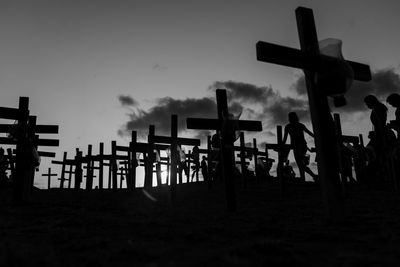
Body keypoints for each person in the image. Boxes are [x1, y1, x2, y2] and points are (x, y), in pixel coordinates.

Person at [282, 112, 318, 181]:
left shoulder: (289, 126)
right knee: (301, 164)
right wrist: (316, 137)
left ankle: (312, 176)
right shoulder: (299, 125)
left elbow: (284, 139)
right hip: (301, 146)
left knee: (300, 164)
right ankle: (304, 178)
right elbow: (309, 133)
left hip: (300, 147)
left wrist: (281, 145)